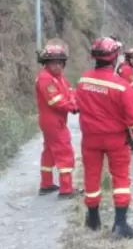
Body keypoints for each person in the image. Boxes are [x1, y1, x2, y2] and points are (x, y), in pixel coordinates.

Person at [76, 37, 133, 239]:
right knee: (121, 178)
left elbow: (79, 104)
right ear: (114, 58)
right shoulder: (122, 86)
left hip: (90, 139)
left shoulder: (83, 80)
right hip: (115, 140)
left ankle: (93, 219)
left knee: (91, 176)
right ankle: (120, 224)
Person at [35, 38, 80, 199]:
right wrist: (73, 107)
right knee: (64, 151)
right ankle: (66, 189)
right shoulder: (46, 78)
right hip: (53, 122)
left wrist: (74, 101)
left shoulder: (58, 77)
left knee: (49, 152)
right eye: (54, 62)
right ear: (46, 63)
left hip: (54, 121)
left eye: (60, 62)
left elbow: (70, 91)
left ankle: (46, 184)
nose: (58, 65)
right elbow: (56, 101)